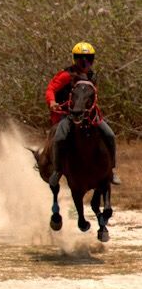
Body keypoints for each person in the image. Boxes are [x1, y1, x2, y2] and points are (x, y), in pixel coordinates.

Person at [45, 42, 120, 186]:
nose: (84, 62)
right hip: (68, 114)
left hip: (89, 115)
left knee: (110, 135)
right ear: (75, 59)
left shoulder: (92, 76)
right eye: (81, 58)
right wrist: (52, 102)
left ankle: (111, 170)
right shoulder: (66, 75)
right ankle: (57, 170)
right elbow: (50, 89)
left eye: (88, 58)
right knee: (60, 137)